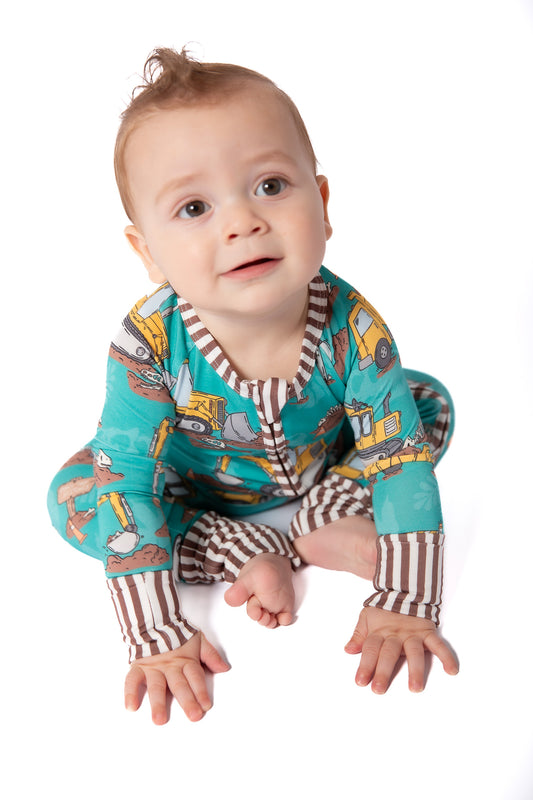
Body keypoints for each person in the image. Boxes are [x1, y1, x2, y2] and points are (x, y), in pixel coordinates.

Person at [48, 46, 459, 725]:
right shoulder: (147, 346)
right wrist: (157, 636)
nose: (242, 222)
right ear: (148, 253)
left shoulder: (354, 327)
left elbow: (399, 456)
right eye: (194, 207)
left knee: (425, 405)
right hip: (191, 486)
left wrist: (407, 599)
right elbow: (126, 483)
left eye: (269, 186)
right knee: (76, 494)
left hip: (322, 458)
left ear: (321, 204)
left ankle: (326, 516)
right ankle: (239, 549)